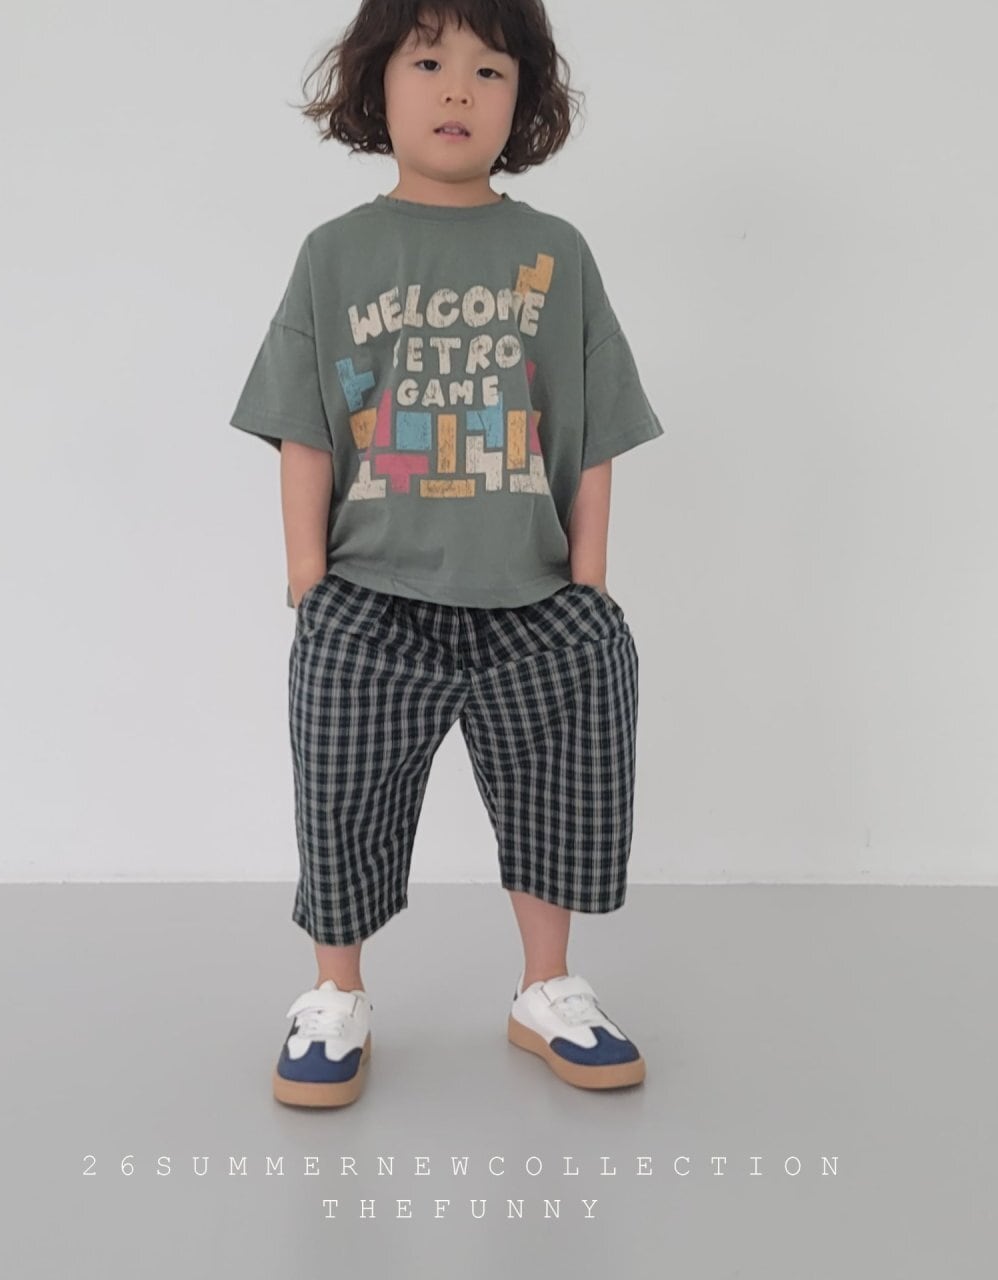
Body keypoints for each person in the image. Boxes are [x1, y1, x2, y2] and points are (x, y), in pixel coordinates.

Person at [229, 0, 665, 1108]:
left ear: (526, 99)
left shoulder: (555, 253)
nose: (458, 88)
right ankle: (334, 993)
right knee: (341, 792)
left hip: (536, 596)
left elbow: (593, 428)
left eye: (490, 68)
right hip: (370, 595)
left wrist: (588, 582)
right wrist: (307, 577)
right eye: (427, 62)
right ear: (377, 82)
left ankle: (546, 987)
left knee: (561, 785)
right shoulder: (335, 254)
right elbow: (301, 425)